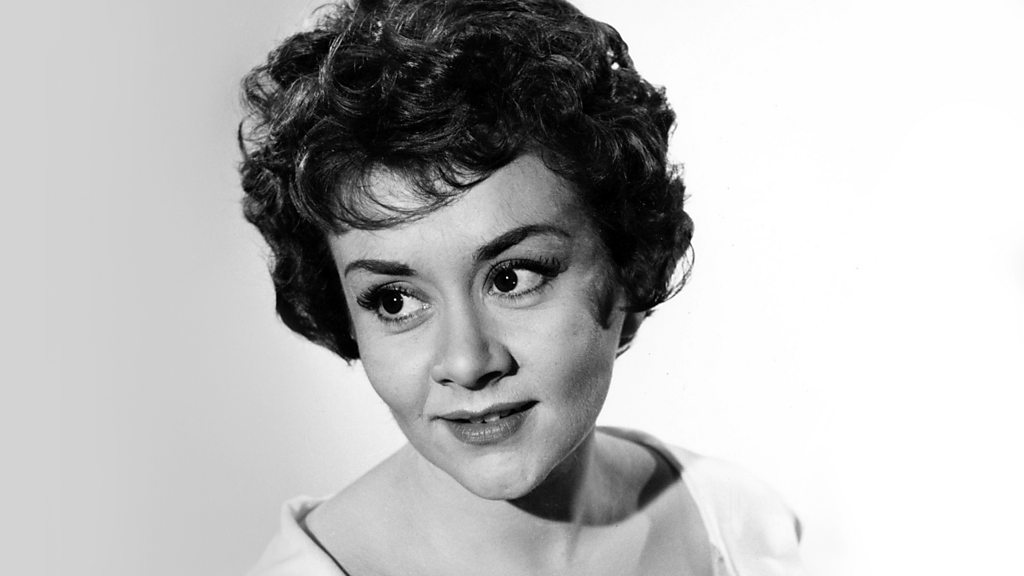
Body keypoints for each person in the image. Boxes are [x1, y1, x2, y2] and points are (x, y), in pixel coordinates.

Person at [239, 0, 804, 574]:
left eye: (512, 278)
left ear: (629, 271)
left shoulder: (739, 523)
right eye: (395, 300)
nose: (466, 363)